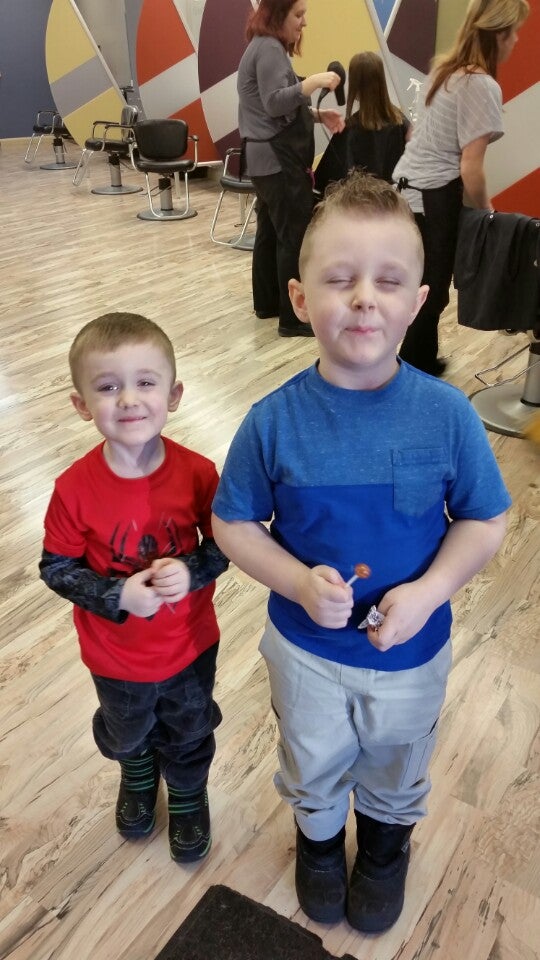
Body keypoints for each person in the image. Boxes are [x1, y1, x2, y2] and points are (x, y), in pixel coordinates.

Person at [211, 172, 510, 933]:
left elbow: (485, 520)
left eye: (389, 281)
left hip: (411, 654)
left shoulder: (447, 415)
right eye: (340, 279)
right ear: (300, 298)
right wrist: (296, 582)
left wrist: (429, 592)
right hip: (304, 651)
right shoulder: (272, 422)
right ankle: (318, 846)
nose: (365, 299)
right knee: (310, 757)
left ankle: (382, 849)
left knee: (398, 761)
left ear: (420, 301)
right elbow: (232, 523)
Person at [40, 312, 229, 863]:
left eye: (145, 382)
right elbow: (56, 567)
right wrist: (117, 596)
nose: (128, 400)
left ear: (174, 395)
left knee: (190, 728)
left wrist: (191, 570)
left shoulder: (198, 473)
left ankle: (188, 792)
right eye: (107, 387)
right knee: (126, 731)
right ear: (81, 405)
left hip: (189, 646)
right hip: (114, 655)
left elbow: (229, 544)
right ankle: (139, 772)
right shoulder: (73, 488)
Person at [392, 0, 529, 377]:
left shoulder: (444, 71)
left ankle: (421, 358)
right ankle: (413, 368)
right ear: (498, 34)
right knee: (433, 288)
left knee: (423, 283)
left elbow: (415, 135)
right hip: (433, 195)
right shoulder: (480, 85)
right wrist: (489, 216)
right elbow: (471, 167)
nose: (516, 40)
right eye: (514, 33)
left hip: (406, 188)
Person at [237, 0, 345, 337]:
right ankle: (293, 318)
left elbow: (274, 106)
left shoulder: (262, 47)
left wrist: (318, 115)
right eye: (298, 15)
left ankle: (268, 303)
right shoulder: (269, 49)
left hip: (263, 158)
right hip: (276, 160)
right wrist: (312, 82)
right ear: (278, 15)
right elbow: (274, 103)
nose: (304, 23)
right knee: (293, 236)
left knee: (270, 232)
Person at [314, 51, 409, 196]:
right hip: (392, 202)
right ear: (381, 81)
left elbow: (325, 183)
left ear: (355, 85)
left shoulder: (349, 130)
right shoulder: (400, 122)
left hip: (359, 205)